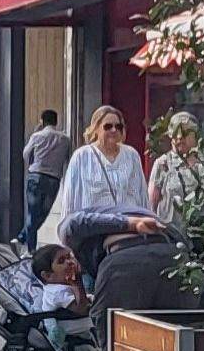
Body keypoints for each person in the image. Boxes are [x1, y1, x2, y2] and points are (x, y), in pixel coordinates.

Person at [47, 106, 157, 258]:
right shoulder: (81, 157)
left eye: (118, 126)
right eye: (108, 126)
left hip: (128, 235)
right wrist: (70, 245)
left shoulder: (131, 155)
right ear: (96, 129)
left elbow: (142, 196)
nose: (113, 130)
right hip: (94, 234)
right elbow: (70, 203)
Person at [147, 112, 204, 230]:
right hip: (171, 235)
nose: (179, 137)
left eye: (185, 133)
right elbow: (151, 205)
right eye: (175, 133)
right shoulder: (162, 164)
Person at [18, 109, 69, 242]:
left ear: (42, 121)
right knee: (43, 213)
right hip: (54, 178)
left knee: (32, 213)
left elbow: (26, 153)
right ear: (56, 121)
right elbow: (68, 158)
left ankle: (28, 246)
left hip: (36, 175)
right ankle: (24, 237)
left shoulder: (37, 136)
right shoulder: (65, 139)